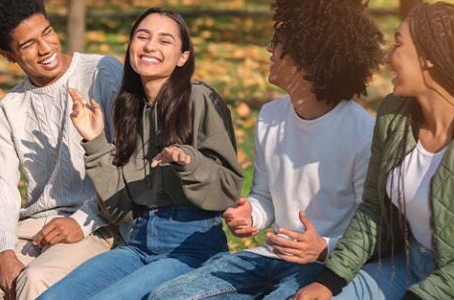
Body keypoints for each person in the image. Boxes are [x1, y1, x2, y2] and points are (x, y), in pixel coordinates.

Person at [294, 2, 454, 299]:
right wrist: (330, 280)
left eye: (398, 44)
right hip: (404, 266)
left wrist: (420, 296)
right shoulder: (393, 114)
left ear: (428, 58)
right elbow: (373, 211)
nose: (387, 58)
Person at [148, 1, 382, 299]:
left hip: (322, 266)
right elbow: (265, 197)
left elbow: (373, 225)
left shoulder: (362, 132)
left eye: (278, 43)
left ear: (307, 57)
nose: (269, 50)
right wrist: (252, 214)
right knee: (165, 296)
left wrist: (323, 247)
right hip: (267, 257)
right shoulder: (271, 116)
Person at [37, 8, 244, 300]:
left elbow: (229, 188)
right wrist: (95, 140)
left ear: (183, 57)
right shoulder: (129, 108)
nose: (150, 46)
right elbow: (119, 209)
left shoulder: (201, 99)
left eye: (165, 40)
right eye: (142, 37)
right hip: (138, 242)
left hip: (191, 246)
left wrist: (189, 162)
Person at [0, 0, 123, 299]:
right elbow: (1, 190)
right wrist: (4, 250)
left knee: (36, 279)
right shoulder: (9, 109)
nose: (45, 48)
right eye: (29, 44)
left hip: (100, 221)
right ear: (8, 55)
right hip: (33, 224)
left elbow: (127, 157)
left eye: (47, 32)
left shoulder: (102, 72)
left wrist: (83, 222)